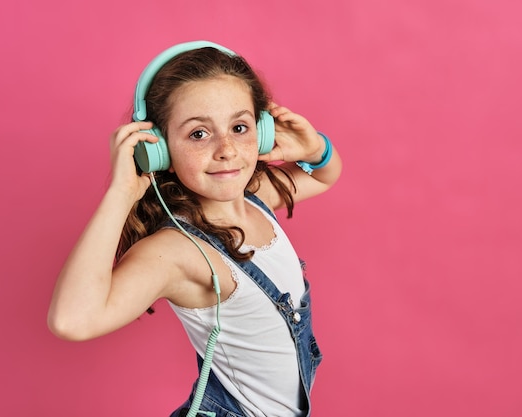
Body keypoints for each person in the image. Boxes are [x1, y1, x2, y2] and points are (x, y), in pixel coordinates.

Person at [47, 41, 342, 417]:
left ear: (263, 131)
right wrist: (121, 193)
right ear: (160, 150)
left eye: (239, 127)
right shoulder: (178, 252)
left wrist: (316, 150)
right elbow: (72, 320)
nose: (226, 150)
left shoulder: (256, 198)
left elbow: (326, 177)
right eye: (198, 134)